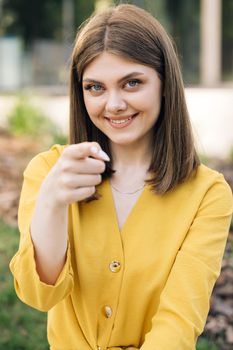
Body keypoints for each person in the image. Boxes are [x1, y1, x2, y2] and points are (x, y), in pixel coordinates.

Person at [10, 4, 232, 350]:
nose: (113, 104)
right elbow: (39, 295)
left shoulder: (207, 194)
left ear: (164, 84)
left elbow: (179, 321)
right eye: (95, 87)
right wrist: (52, 202)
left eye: (132, 83)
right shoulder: (49, 172)